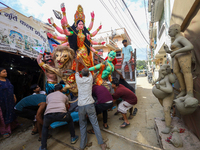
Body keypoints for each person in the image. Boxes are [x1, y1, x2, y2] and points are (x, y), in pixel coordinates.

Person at [75, 58, 107, 150]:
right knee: (95, 124)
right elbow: (88, 71)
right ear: (88, 74)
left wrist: (77, 63)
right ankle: (102, 144)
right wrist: (83, 63)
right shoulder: (90, 79)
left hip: (81, 106)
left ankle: (82, 146)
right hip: (90, 105)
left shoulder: (79, 80)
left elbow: (77, 72)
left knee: (82, 125)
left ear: (81, 74)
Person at [39, 84, 78, 150]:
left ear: (54, 90)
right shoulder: (64, 96)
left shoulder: (48, 96)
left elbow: (48, 105)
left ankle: (43, 147)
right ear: (62, 90)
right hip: (62, 114)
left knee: (45, 127)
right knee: (70, 120)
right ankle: (73, 137)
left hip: (48, 115)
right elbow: (66, 107)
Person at [0, 67, 18, 138]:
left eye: (6, 71)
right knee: (3, 116)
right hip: (2, 102)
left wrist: (14, 96)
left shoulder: (7, 80)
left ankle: (13, 126)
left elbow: (11, 89)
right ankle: (4, 131)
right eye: (4, 72)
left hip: (9, 100)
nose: (6, 73)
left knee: (11, 112)